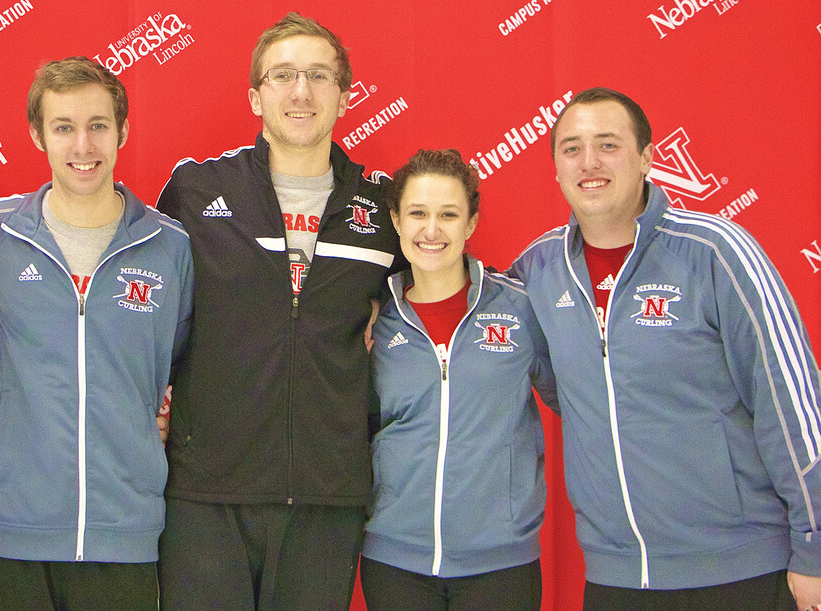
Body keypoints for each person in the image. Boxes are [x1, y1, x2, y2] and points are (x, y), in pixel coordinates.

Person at [509, 86, 821, 610]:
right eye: (571, 148)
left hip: (740, 566)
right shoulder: (538, 270)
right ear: (556, 167)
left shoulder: (716, 251)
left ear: (647, 158)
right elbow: (561, 385)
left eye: (608, 145)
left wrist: (815, 550)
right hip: (617, 577)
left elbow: (791, 404)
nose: (589, 162)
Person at [155, 11, 400, 610]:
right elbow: (146, 313)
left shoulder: (384, 205)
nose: (301, 91)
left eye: (319, 76)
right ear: (255, 96)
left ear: (345, 95)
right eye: (283, 75)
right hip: (206, 493)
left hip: (327, 495)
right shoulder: (196, 191)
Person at [0, 56, 192, 610]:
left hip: (125, 534)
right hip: (11, 530)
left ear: (123, 131)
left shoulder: (170, 246)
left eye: (98, 126)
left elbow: (178, 364)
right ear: (38, 134)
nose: (82, 146)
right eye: (64, 128)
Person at [362, 149, 555, 610]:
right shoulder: (373, 319)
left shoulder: (519, 309)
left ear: (470, 224)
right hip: (394, 561)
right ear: (396, 220)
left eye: (448, 214)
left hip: (501, 563)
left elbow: (584, 397)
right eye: (417, 213)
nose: (432, 230)